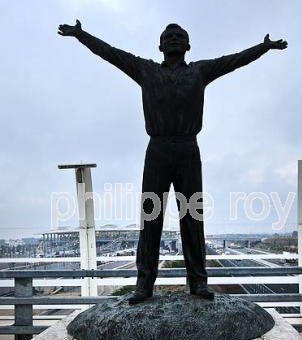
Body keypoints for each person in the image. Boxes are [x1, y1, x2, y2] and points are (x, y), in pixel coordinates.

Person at [58, 20, 288, 304]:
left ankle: (198, 283)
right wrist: (81, 35)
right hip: (157, 150)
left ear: (188, 46)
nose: (174, 39)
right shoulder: (146, 70)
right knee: (150, 218)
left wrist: (263, 47)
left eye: (180, 36)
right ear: (160, 45)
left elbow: (234, 61)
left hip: (188, 149)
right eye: (169, 36)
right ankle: (144, 284)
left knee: (193, 219)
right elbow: (109, 53)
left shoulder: (200, 71)